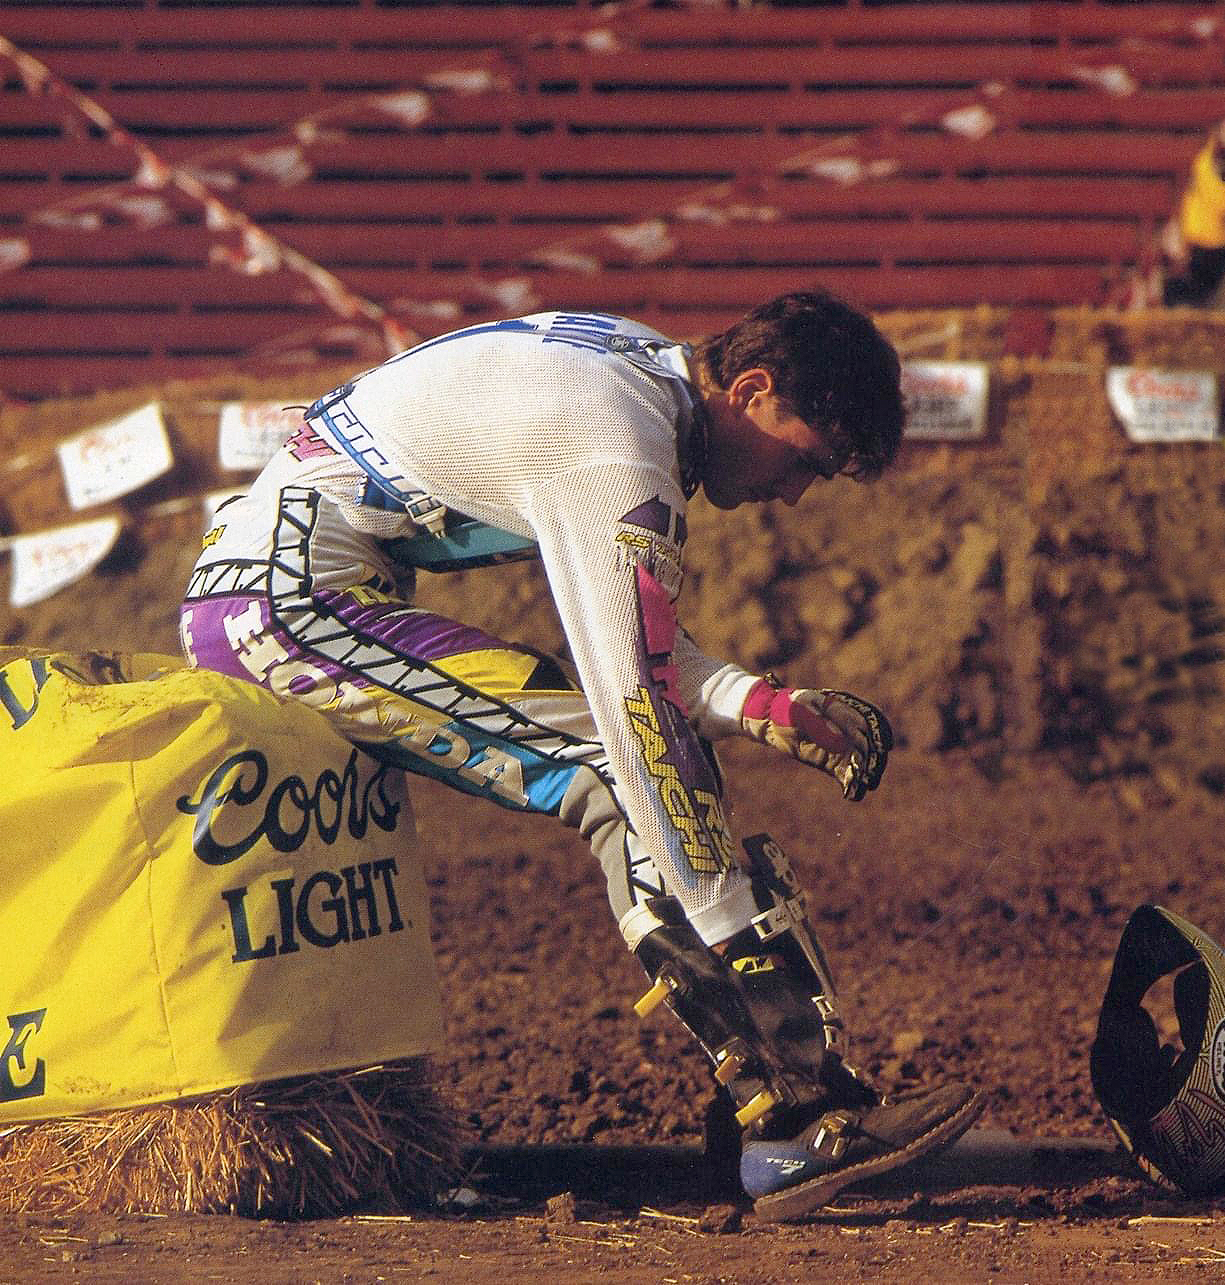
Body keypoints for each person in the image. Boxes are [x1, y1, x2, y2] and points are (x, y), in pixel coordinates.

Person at [178, 290, 981, 1221]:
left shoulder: (641, 381)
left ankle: (771, 1114)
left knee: (640, 757)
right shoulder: (618, 446)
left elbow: (629, 636)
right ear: (753, 387)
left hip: (292, 585)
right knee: (623, 767)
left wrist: (756, 704)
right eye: (804, 460)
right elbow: (636, 702)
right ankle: (794, 1117)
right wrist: (730, 926)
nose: (795, 492)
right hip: (283, 614)